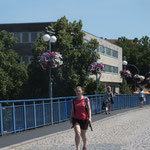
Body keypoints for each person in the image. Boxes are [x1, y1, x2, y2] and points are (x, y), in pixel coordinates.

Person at [70, 86, 92, 150]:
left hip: (84, 119)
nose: (78, 92)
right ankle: (77, 148)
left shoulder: (86, 99)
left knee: (83, 135)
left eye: (79, 91)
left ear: (82, 91)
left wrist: (90, 118)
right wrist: (71, 118)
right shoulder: (74, 100)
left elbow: (89, 109)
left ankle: (84, 146)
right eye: (77, 91)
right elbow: (72, 110)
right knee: (77, 133)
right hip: (76, 119)